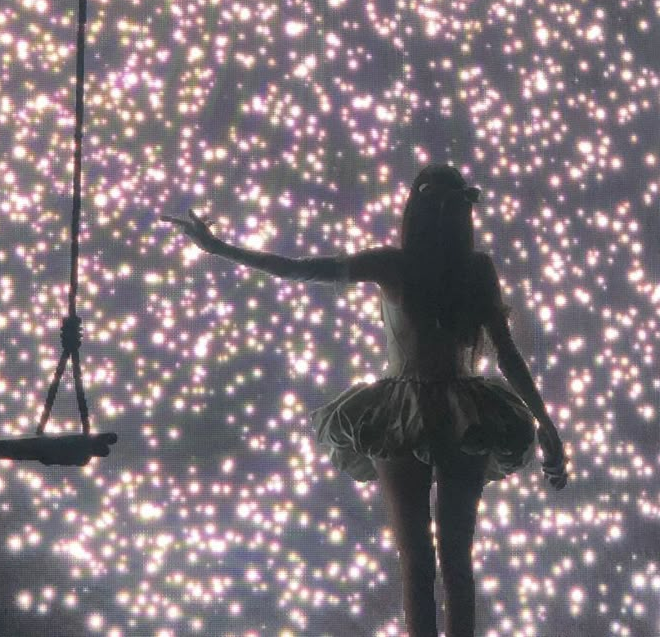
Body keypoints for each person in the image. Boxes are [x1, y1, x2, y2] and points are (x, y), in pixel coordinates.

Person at [161, 162, 569, 637]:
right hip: (459, 414)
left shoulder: (405, 264)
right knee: (450, 558)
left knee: (422, 558)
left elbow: (302, 270)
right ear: (463, 214)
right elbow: (507, 353)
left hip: (411, 413)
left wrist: (218, 247)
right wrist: (545, 424)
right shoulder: (463, 268)